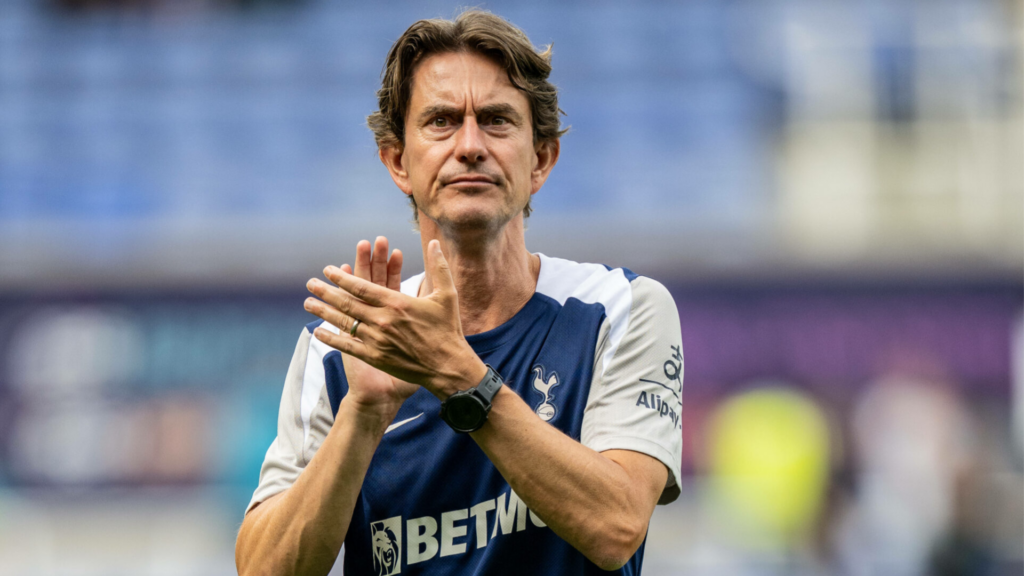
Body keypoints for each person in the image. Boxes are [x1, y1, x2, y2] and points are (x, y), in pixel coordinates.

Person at [235, 10, 683, 576]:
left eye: (496, 120)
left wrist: (458, 374)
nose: (470, 145)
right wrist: (364, 413)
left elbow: (616, 527)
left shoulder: (620, 310)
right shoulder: (338, 347)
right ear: (397, 161)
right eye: (441, 121)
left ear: (541, 159)